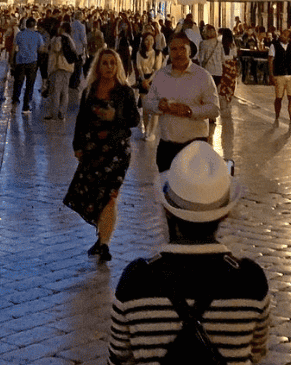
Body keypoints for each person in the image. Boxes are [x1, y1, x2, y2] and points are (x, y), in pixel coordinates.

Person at [107, 141, 270, 364]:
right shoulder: (251, 279)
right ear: (224, 214)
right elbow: (257, 353)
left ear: (167, 210)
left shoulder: (136, 279)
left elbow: (118, 359)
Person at [64, 49, 140, 262]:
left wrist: (116, 116)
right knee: (92, 194)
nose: (108, 67)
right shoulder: (90, 91)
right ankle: (101, 236)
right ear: (98, 66)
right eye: (105, 63)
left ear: (118, 66)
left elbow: (134, 120)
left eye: (112, 63)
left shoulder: (125, 92)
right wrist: (77, 146)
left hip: (117, 152)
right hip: (93, 151)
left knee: (110, 196)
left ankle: (105, 243)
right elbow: (81, 119)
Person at [144, 33, 219, 172]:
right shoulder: (161, 75)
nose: (178, 53)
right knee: (167, 188)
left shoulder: (203, 76)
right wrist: (159, 106)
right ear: (170, 52)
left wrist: (189, 111)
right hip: (167, 147)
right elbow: (148, 103)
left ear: (189, 51)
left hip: (195, 147)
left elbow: (214, 109)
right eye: (174, 49)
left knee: (193, 190)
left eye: (182, 49)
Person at [134, 31, 163, 141]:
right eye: (147, 40)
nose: (149, 42)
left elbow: (157, 69)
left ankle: (152, 132)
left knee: (155, 109)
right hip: (143, 80)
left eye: (151, 39)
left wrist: (149, 80)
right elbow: (139, 67)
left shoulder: (157, 53)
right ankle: (146, 130)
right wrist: (143, 80)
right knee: (145, 108)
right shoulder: (139, 53)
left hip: (154, 79)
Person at [12, 17, 45, 113]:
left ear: (26, 25)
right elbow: (41, 49)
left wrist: (11, 60)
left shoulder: (19, 34)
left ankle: (14, 103)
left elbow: (14, 48)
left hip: (20, 61)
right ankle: (26, 106)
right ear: (34, 25)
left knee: (18, 83)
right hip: (32, 62)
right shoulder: (38, 36)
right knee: (30, 84)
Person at [45, 21, 76, 120]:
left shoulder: (59, 38)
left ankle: (53, 113)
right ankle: (62, 113)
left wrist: (53, 41)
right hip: (69, 67)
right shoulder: (70, 39)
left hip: (59, 67)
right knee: (65, 91)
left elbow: (56, 49)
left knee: (56, 91)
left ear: (63, 28)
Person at [269, 28, 291, 129]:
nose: (283, 36)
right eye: (282, 34)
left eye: (286, 35)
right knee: (279, 98)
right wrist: (271, 75)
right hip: (279, 74)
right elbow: (270, 60)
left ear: (289, 38)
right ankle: (277, 116)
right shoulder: (274, 45)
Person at [218, 28, 239, 114]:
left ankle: (223, 104)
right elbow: (235, 55)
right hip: (231, 67)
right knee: (230, 85)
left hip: (223, 67)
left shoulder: (219, 43)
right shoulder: (233, 44)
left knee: (223, 86)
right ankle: (228, 102)